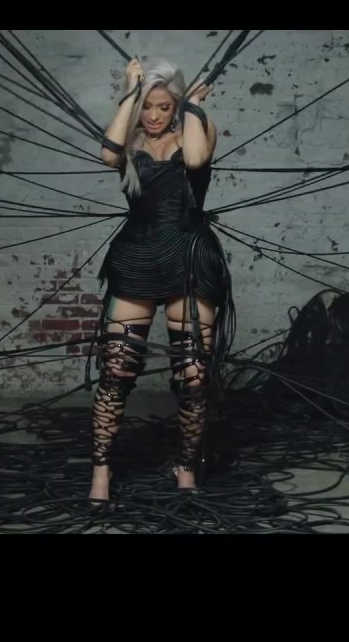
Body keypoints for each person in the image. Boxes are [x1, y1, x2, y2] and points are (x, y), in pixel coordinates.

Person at [87, 56, 234, 502]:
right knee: (116, 370)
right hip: (136, 256)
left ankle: (186, 468)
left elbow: (196, 158)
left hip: (190, 257)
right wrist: (130, 92)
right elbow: (107, 154)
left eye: (163, 107)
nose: (153, 115)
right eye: (147, 106)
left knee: (193, 377)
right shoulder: (129, 141)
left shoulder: (197, 128)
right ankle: (101, 472)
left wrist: (192, 107)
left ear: (177, 105)